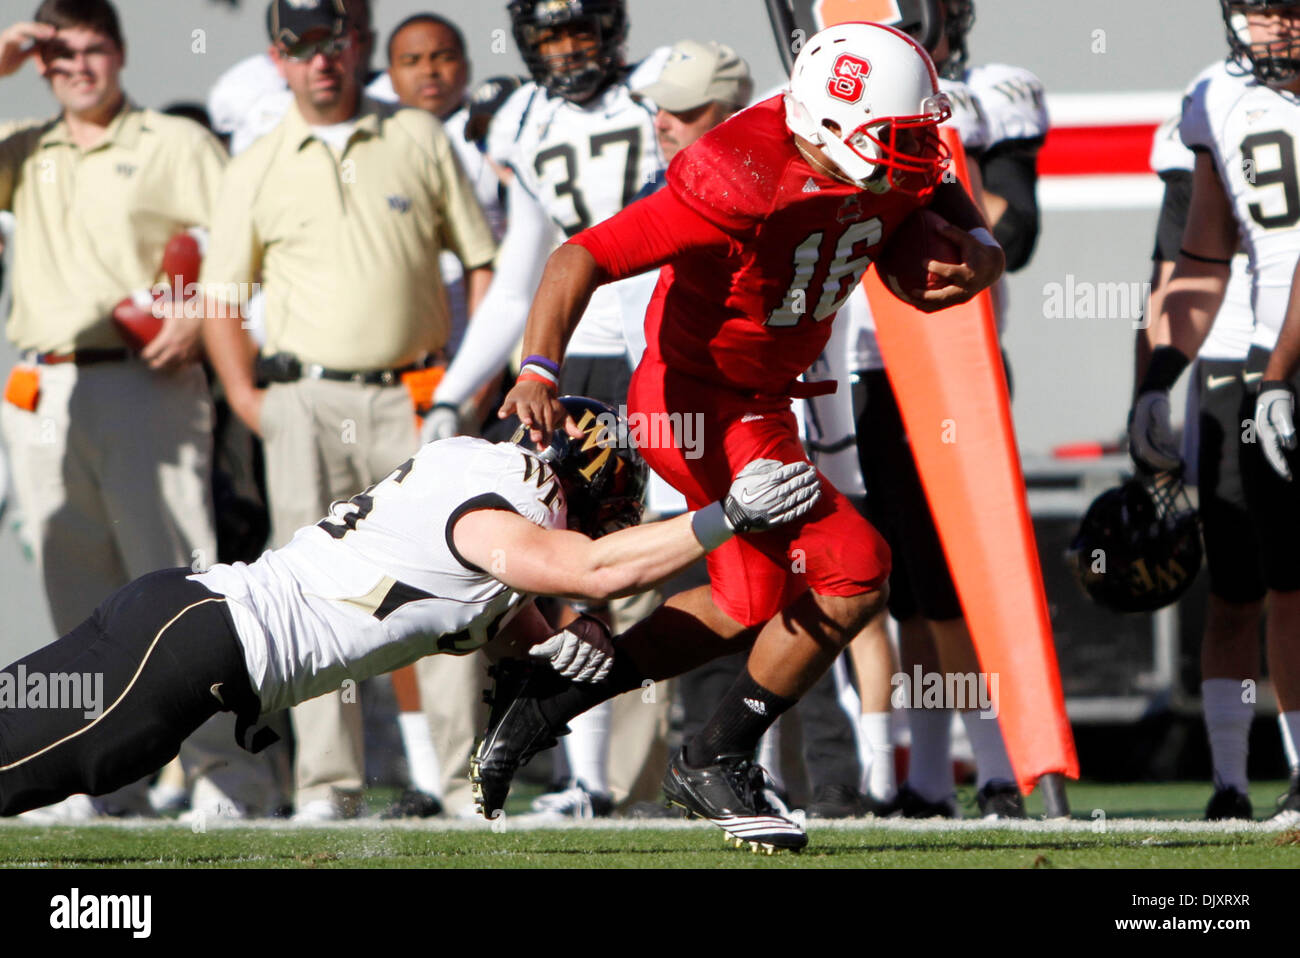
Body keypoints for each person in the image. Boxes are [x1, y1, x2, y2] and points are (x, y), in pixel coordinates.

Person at [474, 21, 1004, 852]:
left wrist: (981, 246)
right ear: (829, 127)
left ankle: (551, 697)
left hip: (769, 396)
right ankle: (714, 755)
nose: (914, 154)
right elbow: (580, 256)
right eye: (893, 138)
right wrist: (539, 366)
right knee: (857, 569)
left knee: (745, 601)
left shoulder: (879, 145)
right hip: (698, 401)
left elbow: (933, 178)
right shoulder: (739, 174)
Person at [0, 397, 822, 817]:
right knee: (66, 761)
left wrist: (553, 642)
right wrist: (726, 519)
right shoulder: (515, 500)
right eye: (612, 494)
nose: (614, 511)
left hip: (184, 615)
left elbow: (477, 609)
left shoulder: (477, 474)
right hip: (203, 645)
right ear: (583, 472)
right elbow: (596, 568)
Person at [200, 0, 496, 821]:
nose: (322, 61)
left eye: (335, 44)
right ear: (279, 59)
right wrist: (247, 399)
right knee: (309, 596)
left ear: (356, 46)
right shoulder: (254, 160)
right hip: (301, 398)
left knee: (449, 578)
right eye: (303, 48)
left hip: (416, 395)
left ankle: (463, 783)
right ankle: (327, 787)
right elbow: (222, 296)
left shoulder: (417, 136)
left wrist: (466, 384)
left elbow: (481, 262)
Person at [427, 0, 670, 818]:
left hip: (657, 353)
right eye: (551, 37)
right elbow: (523, 277)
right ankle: (584, 782)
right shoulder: (521, 121)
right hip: (569, 360)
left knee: (654, 573)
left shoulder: (660, 92)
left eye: (580, 31)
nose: (568, 51)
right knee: (566, 567)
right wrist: (459, 389)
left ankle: (648, 777)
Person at [0, 1, 228, 818]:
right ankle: (97, 782)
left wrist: (204, 314)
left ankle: (222, 776)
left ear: (121, 53)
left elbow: (246, 239)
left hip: (146, 384)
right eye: (59, 57)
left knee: (181, 584)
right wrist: (7, 52)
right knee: (77, 601)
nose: (79, 69)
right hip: (41, 389)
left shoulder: (175, 142)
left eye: (93, 51)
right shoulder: (22, 149)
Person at [1128, 0, 1300, 825]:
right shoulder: (1216, 101)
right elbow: (1194, 254)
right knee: (1261, 582)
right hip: (1263, 364)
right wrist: (1157, 378)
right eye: (1264, 9)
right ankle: (1246, 779)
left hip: (1273, 366)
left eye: (1292, 8)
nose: (1281, 27)